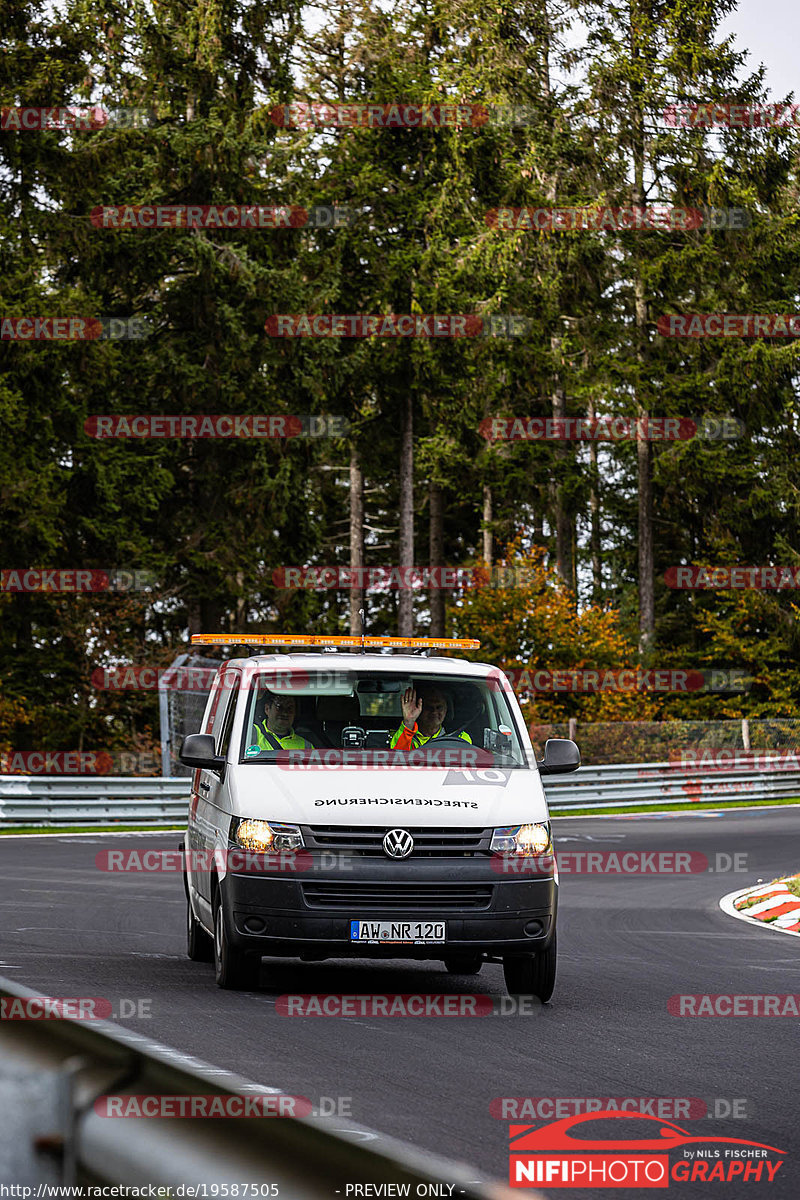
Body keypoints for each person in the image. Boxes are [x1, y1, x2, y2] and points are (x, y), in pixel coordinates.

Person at [390, 685, 472, 751]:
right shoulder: (403, 734)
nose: (434, 712)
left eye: (439, 707)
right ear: (419, 709)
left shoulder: (460, 737)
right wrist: (409, 721)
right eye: (429, 707)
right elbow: (396, 759)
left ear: (446, 710)